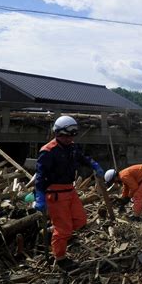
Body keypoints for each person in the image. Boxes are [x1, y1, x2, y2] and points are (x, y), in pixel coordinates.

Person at [34, 115, 104, 271]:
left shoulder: (72, 147)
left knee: (80, 220)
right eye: (65, 136)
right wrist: (39, 196)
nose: (69, 139)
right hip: (55, 193)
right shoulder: (48, 151)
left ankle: (54, 232)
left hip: (70, 190)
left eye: (72, 135)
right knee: (64, 228)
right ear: (57, 133)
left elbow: (82, 157)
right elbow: (40, 175)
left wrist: (93, 164)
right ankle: (60, 259)